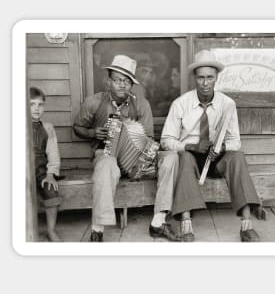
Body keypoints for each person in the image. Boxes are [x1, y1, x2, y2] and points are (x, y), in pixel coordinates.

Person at [73, 55, 180, 242]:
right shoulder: (94, 102)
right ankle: (98, 230)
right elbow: (77, 128)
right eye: (118, 80)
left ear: (132, 85)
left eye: (127, 81)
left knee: (171, 157)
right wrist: (93, 133)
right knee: (106, 164)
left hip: (136, 161)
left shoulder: (142, 104)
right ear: (109, 81)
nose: (122, 85)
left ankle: (158, 222)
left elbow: (148, 138)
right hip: (107, 155)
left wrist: (141, 161)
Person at [160, 50, 263, 242]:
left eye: (210, 78)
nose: (205, 83)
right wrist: (190, 146)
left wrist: (222, 148)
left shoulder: (227, 104)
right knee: (184, 157)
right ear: (194, 78)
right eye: (201, 78)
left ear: (216, 78)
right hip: (190, 160)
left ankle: (246, 225)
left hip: (216, 159)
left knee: (237, 157)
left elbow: (235, 141)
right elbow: (166, 140)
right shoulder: (180, 104)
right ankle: (186, 223)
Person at [29, 87, 63, 242]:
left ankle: (50, 229)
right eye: (31, 104)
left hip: (41, 172)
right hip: (22, 172)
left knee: (51, 191)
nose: (36, 108)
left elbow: (53, 153)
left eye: (40, 104)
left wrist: (50, 174)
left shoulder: (47, 128)